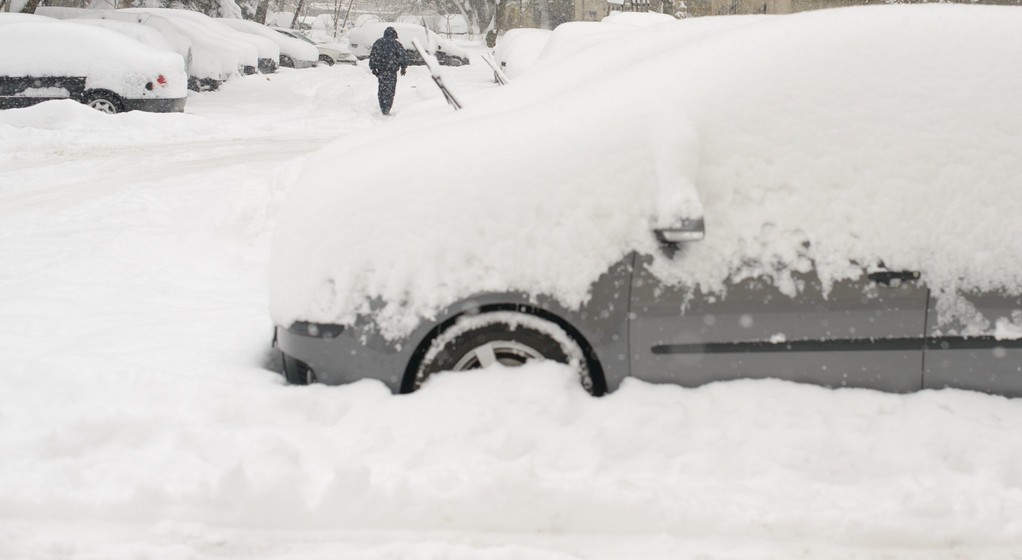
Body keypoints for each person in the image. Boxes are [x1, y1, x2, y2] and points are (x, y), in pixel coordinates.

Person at [369, 27, 407, 116]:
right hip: (391, 71)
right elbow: (403, 56)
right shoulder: (396, 44)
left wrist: (373, 68)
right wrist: (403, 67)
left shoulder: (378, 43)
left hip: (381, 71)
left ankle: (383, 106)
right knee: (390, 91)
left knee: (382, 89)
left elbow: (373, 56)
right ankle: (387, 108)